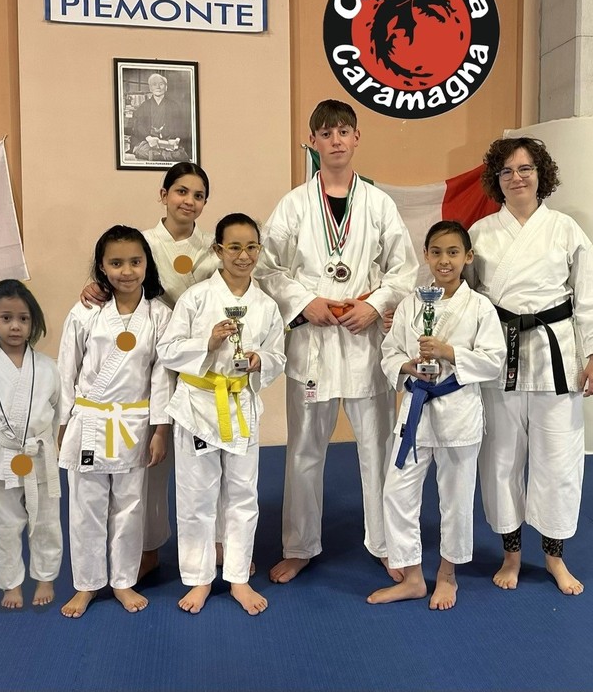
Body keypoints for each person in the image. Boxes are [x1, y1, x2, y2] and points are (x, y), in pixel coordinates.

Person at [254, 99, 418, 584]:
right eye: (326, 133)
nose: (336, 140)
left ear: (357, 137)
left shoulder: (379, 204)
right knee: (304, 450)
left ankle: (386, 544)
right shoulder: (293, 204)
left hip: (365, 341)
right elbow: (266, 268)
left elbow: (404, 269)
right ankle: (300, 545)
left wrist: (377, 303)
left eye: (344, 131)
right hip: (314, 343)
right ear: (313, 142)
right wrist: (304, 301)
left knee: (378, 447)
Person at [469, 137, 593, 595]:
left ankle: (554, 557)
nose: (516, 178)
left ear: (541, 175)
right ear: (497, 179)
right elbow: (464, 298)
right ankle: (511, 555)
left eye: (525, 169)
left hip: (557, 358)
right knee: (501, 459)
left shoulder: (565, 229)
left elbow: (592, 293)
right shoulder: (480, 233)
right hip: (501, 358)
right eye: (507, 171)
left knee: (559, 459)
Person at [81, 162, 218, 578]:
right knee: (152, 460)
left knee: (210, 458)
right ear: (163, 195)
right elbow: (117, 280)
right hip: (151, 359)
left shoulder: (214, 249)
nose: (188, 201)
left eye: (198, 195)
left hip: (203, 363)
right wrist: (94, 286)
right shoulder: (141, 244)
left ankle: (216, 544)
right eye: (180, 191)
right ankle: (147, 545)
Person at [368, 221, 505, 609]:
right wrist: (407, 366)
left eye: (453, 252)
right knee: (396, 493)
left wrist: (449, 353)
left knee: (456, 499)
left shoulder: (479, 307)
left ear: (468, 257)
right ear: (426, 256)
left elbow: (494, 360)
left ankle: (447, 575)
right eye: (437, 252)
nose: (445, 260)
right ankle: (412, 576)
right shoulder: (411, 303)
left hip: (458, 410)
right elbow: (390, 351)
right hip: (416, 409)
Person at [158, 213, 285, 615]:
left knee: (243, 494)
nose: (244, 255)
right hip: (198, 405)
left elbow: (279, 355)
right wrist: (207, 342)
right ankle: (199, 578)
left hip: (240, 404)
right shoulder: (195, 298)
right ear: (217, 250)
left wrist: (260, 360)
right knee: (196, 495)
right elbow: (168, 350)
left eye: (251, 247)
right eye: (234, 247)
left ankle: (238, 577)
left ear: (259, 250)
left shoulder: (266, 305)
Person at [57, 226, 173, 617]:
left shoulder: (159, 315)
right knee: (85, 506)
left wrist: (160, 429)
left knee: (130, 505)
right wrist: (61, 423)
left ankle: (123, 580)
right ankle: (87, 584)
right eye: (116, 263)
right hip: (90, 421)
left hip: (134, 421)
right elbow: (66, 369)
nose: (127, 271)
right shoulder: (86, 312)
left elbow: (162, 376)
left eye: (135, 262)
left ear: (147, 264)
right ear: (102, 267)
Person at [0, 280, 62, 609]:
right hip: (2, 454)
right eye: (6, 318)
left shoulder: (48, 367)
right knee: (4, 525)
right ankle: (11, 584)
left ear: (33, 321)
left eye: (23, 318)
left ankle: (45, 577)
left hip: (40, 453)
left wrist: (51, 446)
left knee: (46, 521)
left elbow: (58, 410)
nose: (15, 326)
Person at [129, 73, 190, 162]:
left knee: (179, 155)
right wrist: (149, 138)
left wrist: (176, 139)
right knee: (144, 151)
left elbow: (180, 126)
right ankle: (161, 154)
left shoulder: (174, 106)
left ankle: (162, 154)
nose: (158, 87)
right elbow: (139, 125)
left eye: (161, 84)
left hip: (168, 142)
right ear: (150, 88)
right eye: (154, 84)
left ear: (166, 87)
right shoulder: (144, 106)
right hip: (148, 142)